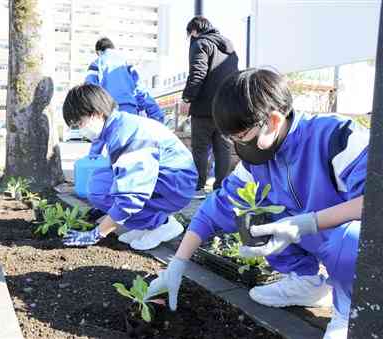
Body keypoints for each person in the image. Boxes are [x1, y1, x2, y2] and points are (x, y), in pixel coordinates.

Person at [146, 69, 367, 339]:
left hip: (343, 238)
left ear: (273, 120)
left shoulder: (338, 137)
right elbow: (215, 210)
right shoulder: (258, 159)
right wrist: (177, 263)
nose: (236, 145)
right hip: (307, 234)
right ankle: (305, 281)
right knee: (253, 219)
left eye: (239, 136)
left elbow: (374, 205)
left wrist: (308, 223)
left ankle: (349, 311)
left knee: (353, 237)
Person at [61, 84, 197, 250]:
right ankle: (147, 224)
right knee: (99, 182)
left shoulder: (127, 134)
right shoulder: (117, 126)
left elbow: (131, 194)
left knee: (101, 191)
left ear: (96, 114)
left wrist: (97, 233)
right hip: (166, 179)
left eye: (79, 123)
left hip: (176, 185)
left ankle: (164, 224)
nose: (80, 129)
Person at [182, 16, 239, 198]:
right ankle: (221, 188)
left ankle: (198, 186)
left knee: (200, 148)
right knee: (222, 148)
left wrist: (187, 98)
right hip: (225, 108)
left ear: (194, 30)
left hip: (204, 108)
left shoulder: (200, 43)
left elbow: (197, 74)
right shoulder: (229, 46)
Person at [85, 37, 165, 157]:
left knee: (100, 138)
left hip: (107, 108)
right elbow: (140, 90)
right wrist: (155, 113)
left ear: (99, 51)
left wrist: (91, 111)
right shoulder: (126, 64)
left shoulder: (97, 63)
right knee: (130, 148)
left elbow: (90, 89)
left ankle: (91, 164)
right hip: (130, 108)